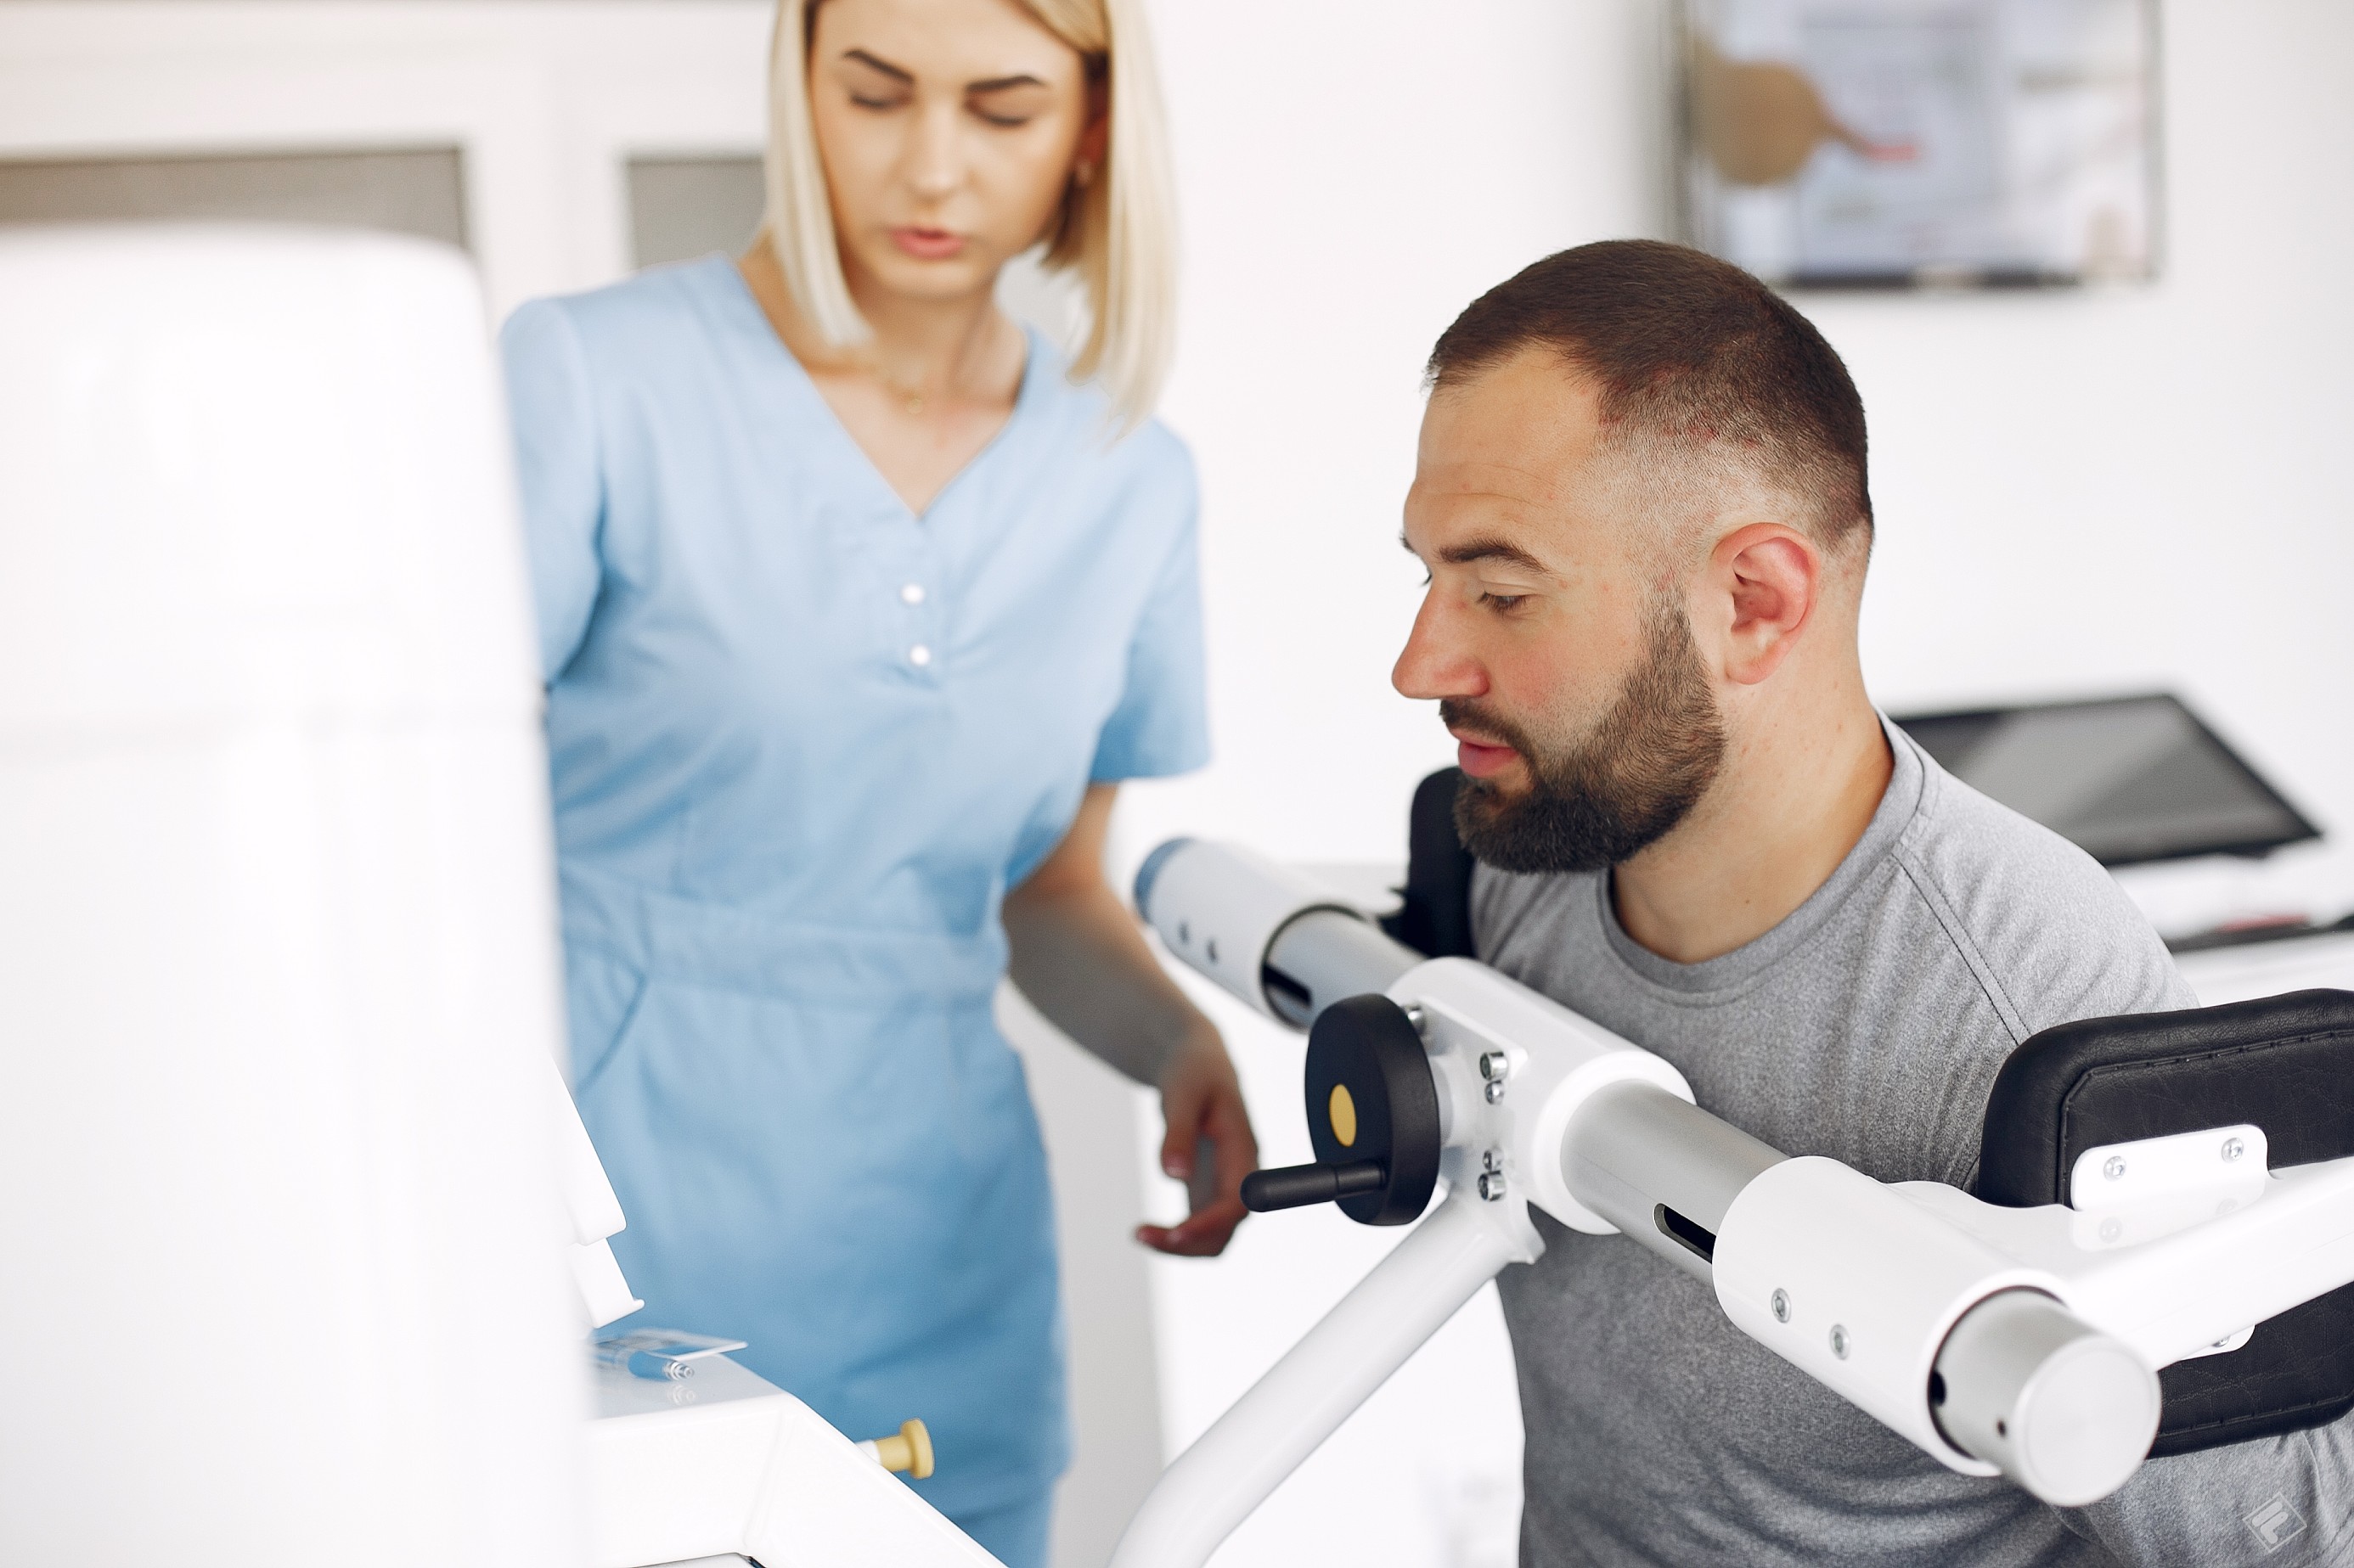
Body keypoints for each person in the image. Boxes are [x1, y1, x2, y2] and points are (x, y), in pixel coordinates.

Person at [1391, 239, 2353, 1565]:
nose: (1418, 660)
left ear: (1753, 602)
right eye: (1427, 577)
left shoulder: (2024, 1017)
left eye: (1499, 590)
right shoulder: (1525, 861)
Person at [497, 0, 1257, 1560]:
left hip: (934, 1246)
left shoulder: (1131, 477)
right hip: (596, 1213)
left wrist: (1179, 1044)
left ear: (1092, 128)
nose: (930, 165)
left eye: (1001, 108)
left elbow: (1045, 892)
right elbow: (424, 831)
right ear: (802, 90)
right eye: (875, 91)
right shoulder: (592, 379)